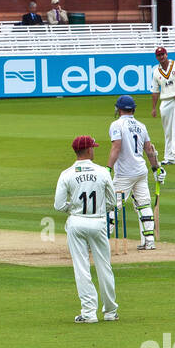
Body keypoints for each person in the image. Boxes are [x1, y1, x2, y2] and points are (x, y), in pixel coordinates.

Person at [55, 135, 120, 323]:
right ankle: (110, 312)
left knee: (81, 267)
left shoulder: (66, 174)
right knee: (104, 266)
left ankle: (89, 313)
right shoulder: (102, 172)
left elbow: (59, 205)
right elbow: (112, 202)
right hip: (98, 221)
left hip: (76, 222)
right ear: (89, 150)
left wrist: (74, 208)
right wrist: (99, 208)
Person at [108, 96, 164, 252]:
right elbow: (149, 150)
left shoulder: (116, 124)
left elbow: (116, 148)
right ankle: (149, 241)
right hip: (141, 171)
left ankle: (101, 240)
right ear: (133, 109)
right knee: (144, 204)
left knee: (112, 206)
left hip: (124, 173)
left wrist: (108, 168)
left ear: (119, 109)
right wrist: (156, 168)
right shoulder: (141, 126)